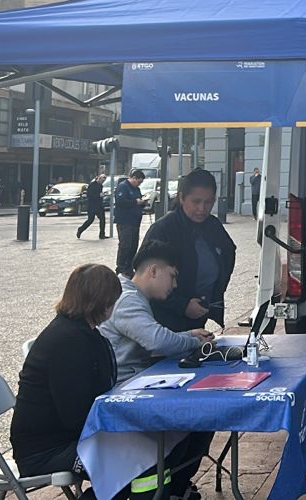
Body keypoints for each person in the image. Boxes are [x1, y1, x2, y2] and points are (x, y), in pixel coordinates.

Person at [99, 242, 215, 499]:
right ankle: (167, 488)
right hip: (124, 394)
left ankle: (175, 486)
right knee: (195, 417)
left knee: (200, 420)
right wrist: (193, 341)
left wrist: (187, 335)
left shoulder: (133, 296)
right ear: (153, 271)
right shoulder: (127, 299)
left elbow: (153, 338)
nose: (174, 285)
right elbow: (156, 341)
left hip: (136, 385)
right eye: (172, 276)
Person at [13, 263, 121, 485]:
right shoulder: (69, 342)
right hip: (44, 451)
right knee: (131, 459)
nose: (113, 309)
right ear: (101, 302)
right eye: (112, 302)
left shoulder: (79, 332)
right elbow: (76, 413)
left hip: (59, 440)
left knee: (140, 453)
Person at [141, 169, 236, 332]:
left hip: (198, 316)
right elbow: (145, 279)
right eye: (196, 201)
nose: (202, 208)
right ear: (182, 198)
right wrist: (182, 305)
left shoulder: (213, 225)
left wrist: (215, 293)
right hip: (164, 321)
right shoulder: (163, 230)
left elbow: (229, 252)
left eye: (208, 202)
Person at [112, 169, 146, 277]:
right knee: (125, 245)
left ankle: (129, 267)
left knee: (133, 245)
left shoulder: (136, 189)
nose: (139, 184)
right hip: (124, 221)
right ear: (134, 178)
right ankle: (121, 268)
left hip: (135, 221)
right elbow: (120, 201)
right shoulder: (123, 187)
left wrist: (143, 203)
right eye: (139, 181)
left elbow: (139, 200)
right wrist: (135, 202)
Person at [78, 169, 109, 240]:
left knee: (102, 219)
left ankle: (102, 235)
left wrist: (102, 196)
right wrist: (99, 195)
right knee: (90, 220)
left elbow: (99, 195)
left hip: (99, 206)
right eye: (102, 180)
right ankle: (80, 230)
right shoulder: (92, 185)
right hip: (92, 206)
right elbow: (90, 195)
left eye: (104, 181)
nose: (102, 181)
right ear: (99, 178)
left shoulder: (100, 186)